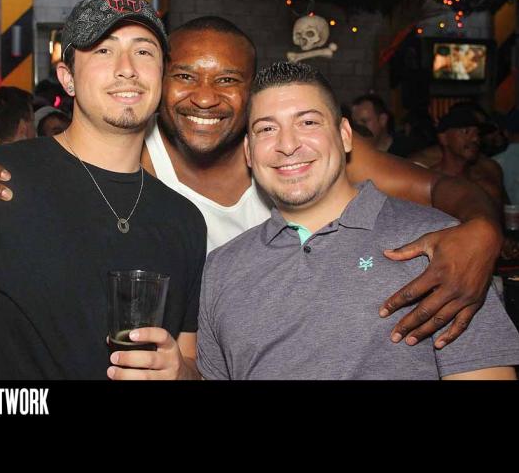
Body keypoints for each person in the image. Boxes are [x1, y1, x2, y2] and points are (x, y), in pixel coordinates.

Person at [0, 16, 504, 351]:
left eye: (227, 81)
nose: (203, 97)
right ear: (157, 81)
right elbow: (52, 181)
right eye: (185, 76)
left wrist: (482, 231)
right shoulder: (134, 169)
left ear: (253, 90)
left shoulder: (295, 155)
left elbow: (444, 190)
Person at [0, 0, 207, 380]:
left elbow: (188, 360)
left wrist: (179, 373)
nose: (127, 68)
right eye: (104, 50)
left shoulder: (185, 220)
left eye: (144, 51)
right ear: (67, 78)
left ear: (162, 77)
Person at [197, 62, 519, 380]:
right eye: (267, 129)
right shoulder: (222, 268)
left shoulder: (441, 247)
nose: (288, 145)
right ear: (249, 151)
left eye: (308, 122)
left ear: (345, 135)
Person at [430, 109, 506, 208]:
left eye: (477, 133)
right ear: (443, 138)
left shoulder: (487, 180)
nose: (475, 138)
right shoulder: (428, 182)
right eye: (466, 131)